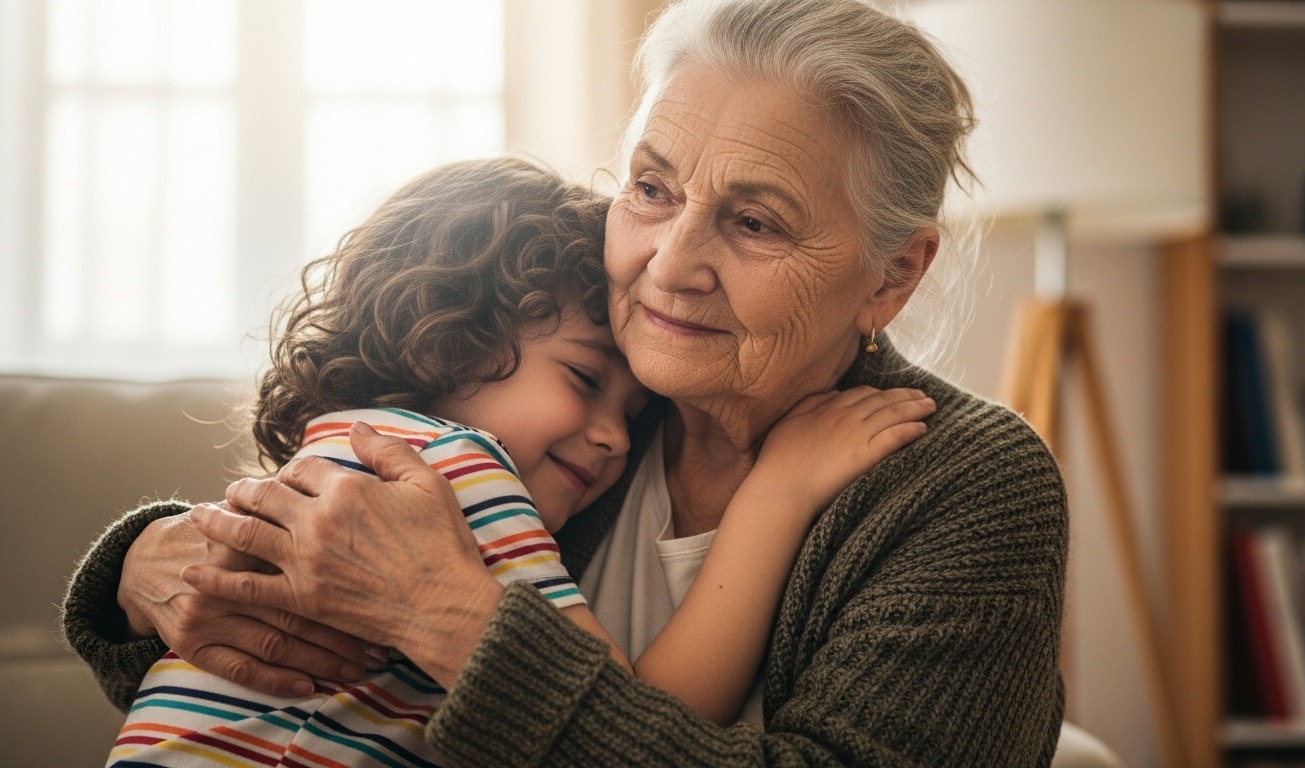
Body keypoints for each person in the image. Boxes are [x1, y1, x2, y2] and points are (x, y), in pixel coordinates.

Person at [64, 0, 1069, 764]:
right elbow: (268, 685)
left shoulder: (968, 489)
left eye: (754, 221)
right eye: (649, 188)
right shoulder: (574, 384)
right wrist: (145, 565)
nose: (669, 264)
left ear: (894, 273)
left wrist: (448, 619)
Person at [104, 157, 935, 766]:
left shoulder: (340, 448)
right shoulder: (455, 473)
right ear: (447, 343)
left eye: (634, 414)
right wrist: (776, 496)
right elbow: (637, 714)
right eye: (583, 379)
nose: (615, 436)